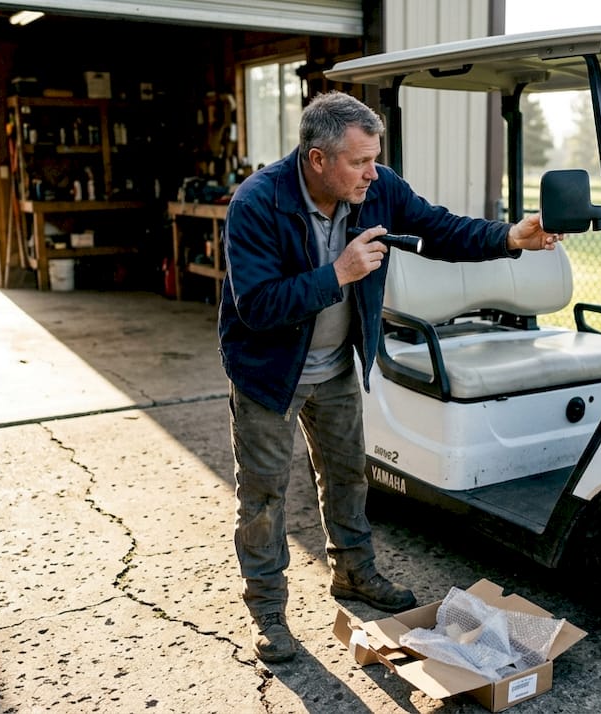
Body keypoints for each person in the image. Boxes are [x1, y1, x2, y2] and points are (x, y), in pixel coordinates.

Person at [219, 91, 562, 663]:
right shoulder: (257, 203)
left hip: (333, 369)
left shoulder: (375, 188)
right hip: (267, 375)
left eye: (374, 158)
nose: (372, 173)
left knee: (349, 478)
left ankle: (354, 573)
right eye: (359, 162)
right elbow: (256, 306)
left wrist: (509, 238)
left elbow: (439, 229)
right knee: (263, 499)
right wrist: (340, 273)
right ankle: (268, 611)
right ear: (317, 159)